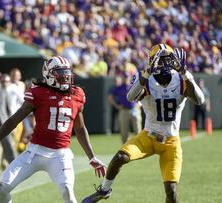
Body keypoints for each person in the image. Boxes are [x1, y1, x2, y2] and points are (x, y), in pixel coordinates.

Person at [0, 56, 106, 203]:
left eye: (67, 72)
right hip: (34, 153)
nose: (66, 76)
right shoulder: (38, 93)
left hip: (60, 156)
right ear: (48, 74)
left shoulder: (77, 94)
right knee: (3, 187)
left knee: (68, 192)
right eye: (60, 72)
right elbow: (13, 121)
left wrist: (92, 157)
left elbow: (80, 128)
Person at [82, 44, 205, 203]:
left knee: (171, 192)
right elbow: (130, 97)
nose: (164, 63)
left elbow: (199, 100)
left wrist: (185, 73)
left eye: (167, 59)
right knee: (120, 156)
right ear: (152, 62)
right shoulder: (145, 79)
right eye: (160, 60)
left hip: (171, 142)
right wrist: (146, 74)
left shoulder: (181, 78)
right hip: (148, 136)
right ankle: (104, 190)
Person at [108, 75, 142, 143]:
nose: (126, 78)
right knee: (124, 132)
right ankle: (125, 149)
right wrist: (116, 106)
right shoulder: (119, 87)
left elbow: (142, 94)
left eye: (127, 76)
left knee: (138, 131)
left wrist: (139, 104)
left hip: (134, 109)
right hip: (124, 110)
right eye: (124, 76)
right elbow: (110, 96)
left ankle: (139, 147)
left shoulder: (133, 86)